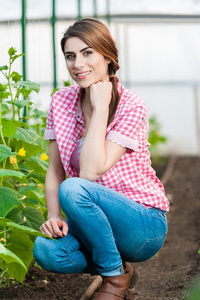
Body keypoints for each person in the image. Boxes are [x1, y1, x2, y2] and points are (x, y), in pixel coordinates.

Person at [33, 18, 169, 300]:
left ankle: (114, 279)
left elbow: (91, 171)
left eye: (87, 52)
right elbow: (55, 170)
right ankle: (119, 268)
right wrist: (54, 215)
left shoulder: (131, 104)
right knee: (46, 251)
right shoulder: (60, 101)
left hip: (142, 224)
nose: (77, 64)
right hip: (93, 222)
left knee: (73, 188)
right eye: (70, 56)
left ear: (108, 56)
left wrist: (100, 107)